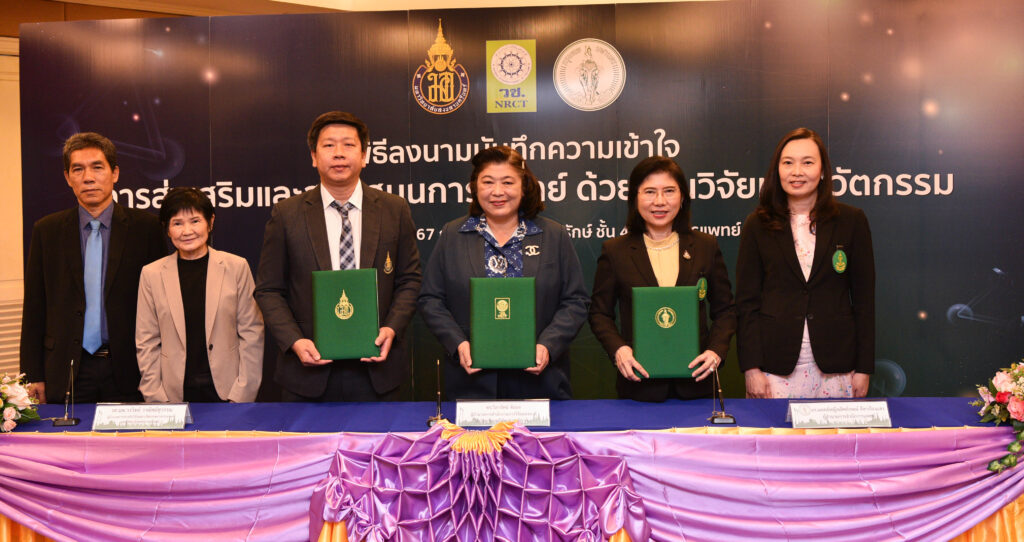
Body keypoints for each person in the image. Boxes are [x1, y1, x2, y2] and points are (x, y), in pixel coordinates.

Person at [255, 111, 421, 402]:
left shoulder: (394, 210)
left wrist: (392, 328)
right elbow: (269, 290)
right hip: (307, 374)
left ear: (364, 155)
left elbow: (409, 279)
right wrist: (295, 341)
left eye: (348, 144)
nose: (339, 153)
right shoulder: (287, 214)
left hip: (377, 372)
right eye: (329, 145)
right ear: (314, 157)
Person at [418, 146, 589, 400]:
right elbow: (431, 299)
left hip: (540, 383)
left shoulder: (554, 235)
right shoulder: (452, 235)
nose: (497, 191)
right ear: (475, 187)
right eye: (488, 182)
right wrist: (457, 344)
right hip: (472, 384)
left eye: (508, 182)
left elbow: (576, 301)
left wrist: (548, 345)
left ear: (524, 186)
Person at [20, 132, 166, 404]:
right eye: (78, 169)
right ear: (68, 177)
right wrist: (32, 374)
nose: (88, 177)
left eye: (97, 167)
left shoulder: (146, 229)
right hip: (66, 369)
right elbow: (34, 307)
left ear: (115, 173)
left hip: (130, 369)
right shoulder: (47, 231)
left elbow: (162, 306)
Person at [736, 127, 875, 398]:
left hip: (837, 366)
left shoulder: (851, 221)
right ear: (777, 170)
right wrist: (751, 369)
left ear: (822, 171)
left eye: (807, 162)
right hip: (775, 367)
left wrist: (864, 368)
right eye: (788, 163)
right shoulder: (757, 224)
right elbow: (746, 303)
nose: (797, 172)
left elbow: (864, 301)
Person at [589, 156, 736, 401]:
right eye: (649, 192)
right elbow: (599, 313)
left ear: (683, 197)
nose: (660, 201)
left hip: (697, 385)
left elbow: (726, 310)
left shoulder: (705, 246)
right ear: (635, 198)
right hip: (639, 386)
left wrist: (715, 351)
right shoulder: (615, 251)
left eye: (669, 191)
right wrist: (619, 350)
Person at [135, 187, 264, 402]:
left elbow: (252, 333)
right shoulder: (152, 274)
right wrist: (157, 397)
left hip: (227, 392)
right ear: (167, 229)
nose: (187, 231)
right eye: (177, 223)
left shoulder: (236, 267)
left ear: (210, 222)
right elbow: (146, 340)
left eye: (195, 221)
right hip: (172, 395)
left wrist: (241, 394)